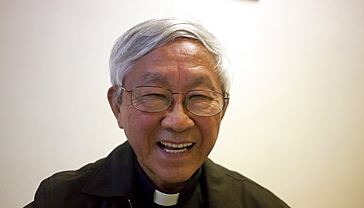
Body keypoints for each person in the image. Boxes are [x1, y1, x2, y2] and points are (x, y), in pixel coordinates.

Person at [25, 17, 289, 208]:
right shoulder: (59, 200)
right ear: (118, 106)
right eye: (153, 95)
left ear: (222, 109)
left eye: (199, 97)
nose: (178, 121)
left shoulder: (260, 204)